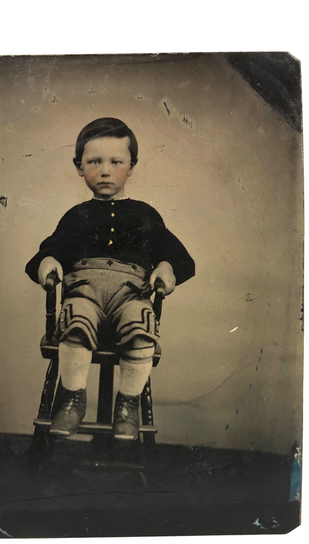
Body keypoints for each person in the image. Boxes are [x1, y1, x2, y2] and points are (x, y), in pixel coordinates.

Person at [26, 118, 195, 440]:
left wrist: (166, 267)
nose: (105, 170)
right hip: (84, 293)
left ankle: (127, 402)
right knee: (74, 321)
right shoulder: (75, 216)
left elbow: (177, 256)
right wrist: (47, 261)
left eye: (116, 162)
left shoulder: (146, 214)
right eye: (94, 162)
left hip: (131, 294)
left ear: (131, 166)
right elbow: (52, 250)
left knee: (141, 326)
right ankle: (73, 399)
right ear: (79, 167)